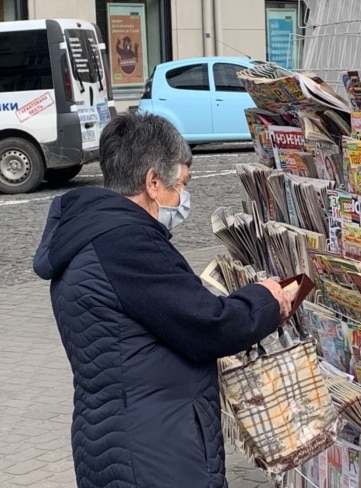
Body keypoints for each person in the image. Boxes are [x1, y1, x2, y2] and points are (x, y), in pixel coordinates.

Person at [32, 112, 293, 487]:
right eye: (181, 185)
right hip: (154, 449)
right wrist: (265, 299)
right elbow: (207, 324)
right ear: (153, 181)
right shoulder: (125, 242)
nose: (183, 198)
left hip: (119, 437)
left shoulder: (92, 233)